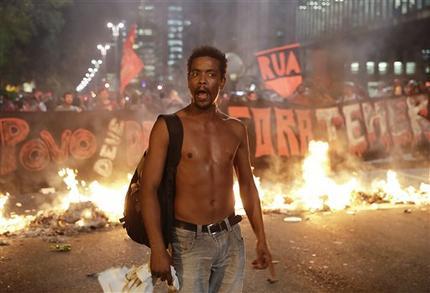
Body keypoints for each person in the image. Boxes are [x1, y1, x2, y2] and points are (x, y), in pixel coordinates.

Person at [139, 46, 273, 292]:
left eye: (210, 74)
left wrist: (261, 238)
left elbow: (247, 184)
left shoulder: (236, 129)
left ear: (222, 80)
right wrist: (158, 248)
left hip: (231, 239)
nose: (202, 81)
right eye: (195, 74)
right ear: (188, 79)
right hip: (189, 241)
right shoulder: (167, 126)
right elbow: (148, 189)